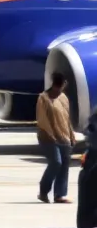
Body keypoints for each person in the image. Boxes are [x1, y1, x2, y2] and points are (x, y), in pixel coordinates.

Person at [36, 72, 74, 204]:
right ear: (61, 84)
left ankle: (60, 194)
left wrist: (71, 135)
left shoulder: (63, 98)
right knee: (56, 163)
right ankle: (43, 191)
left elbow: (66, 118)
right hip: (48, 138)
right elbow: (42, 119)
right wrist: (51, 135)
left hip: (64, 137)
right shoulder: (44, 98)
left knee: (64, 166)